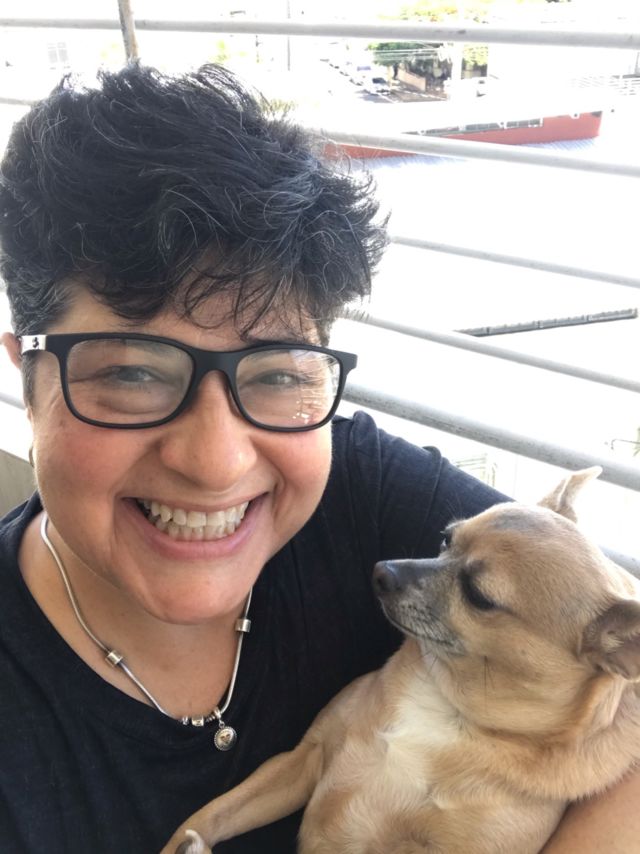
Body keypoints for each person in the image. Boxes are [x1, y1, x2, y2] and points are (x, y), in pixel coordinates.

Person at [0, 64, 637, 854]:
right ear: (27, 379)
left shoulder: (362, 490)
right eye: (133, 373)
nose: (216, 461)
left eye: (275, 375)